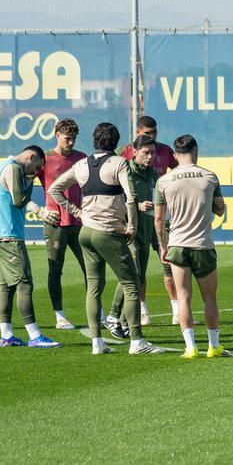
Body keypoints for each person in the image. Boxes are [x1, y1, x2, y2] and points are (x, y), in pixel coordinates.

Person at [50, 122, 163, 355]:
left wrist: (77, 212)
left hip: (86, 233)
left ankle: (97, 343)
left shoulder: (82, 164)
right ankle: (137, 342)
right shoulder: (119, 163)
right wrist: (131, 226)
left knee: (94, 287)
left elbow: (54, 190)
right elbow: (131, 198)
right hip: (108, 232)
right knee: (132, 283)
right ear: (116, 141)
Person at [156, 135, 228, 359]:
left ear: (175, 155)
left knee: (184, 297)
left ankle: (190, 348)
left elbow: (158, 219)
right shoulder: (209, 177)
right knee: (210, 298)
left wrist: (162, 246)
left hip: (177, 244)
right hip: (202, 245)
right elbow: (220, 209)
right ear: (196, 151)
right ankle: (213, 346)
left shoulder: (164, 181)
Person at [0, 146, 62, 348]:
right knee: (24, 283)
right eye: (37, 166)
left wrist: (28, 179)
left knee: (6, 286)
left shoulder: (1, 166)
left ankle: (7, 335)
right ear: (30, 157)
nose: (37, 171)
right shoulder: (12, 169)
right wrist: (41, 212)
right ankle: (34, 335)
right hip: (9, 234)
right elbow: (18, 200)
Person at [122, 115, 179, 326]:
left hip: (161, 217)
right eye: (147, 134)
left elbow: (179, 171)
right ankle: (143, 310)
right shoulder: (126, 154)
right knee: (139, 268)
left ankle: (177, 309)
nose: (151, 137)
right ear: (137, 134)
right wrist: (134, 206)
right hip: (139, 220)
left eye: (154, 133)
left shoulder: (164, 151)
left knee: (169, 262)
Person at [35, 118, 86, 330]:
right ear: (57, 135)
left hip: (81, 221)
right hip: (55, 222)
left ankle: (98, 312)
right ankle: (59, 316)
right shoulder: (45, 160)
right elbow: (25, 186)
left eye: (74, 138)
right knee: (55, 269)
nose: (71, 142)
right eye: (67, 138)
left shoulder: (82, 158)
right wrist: (40, 211)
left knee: (91, 268)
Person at [105, 134, 158, 338]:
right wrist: (137, 205)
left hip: (146, 230)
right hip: (129, 232)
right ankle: (113, 316)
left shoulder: (152, 173)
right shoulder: (125, 170)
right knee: (130, 276)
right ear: (135, 152)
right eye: (146, 153)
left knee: (139, 278)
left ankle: (127, 323)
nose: (150, 156)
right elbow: (116, 199)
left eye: (152, 152)